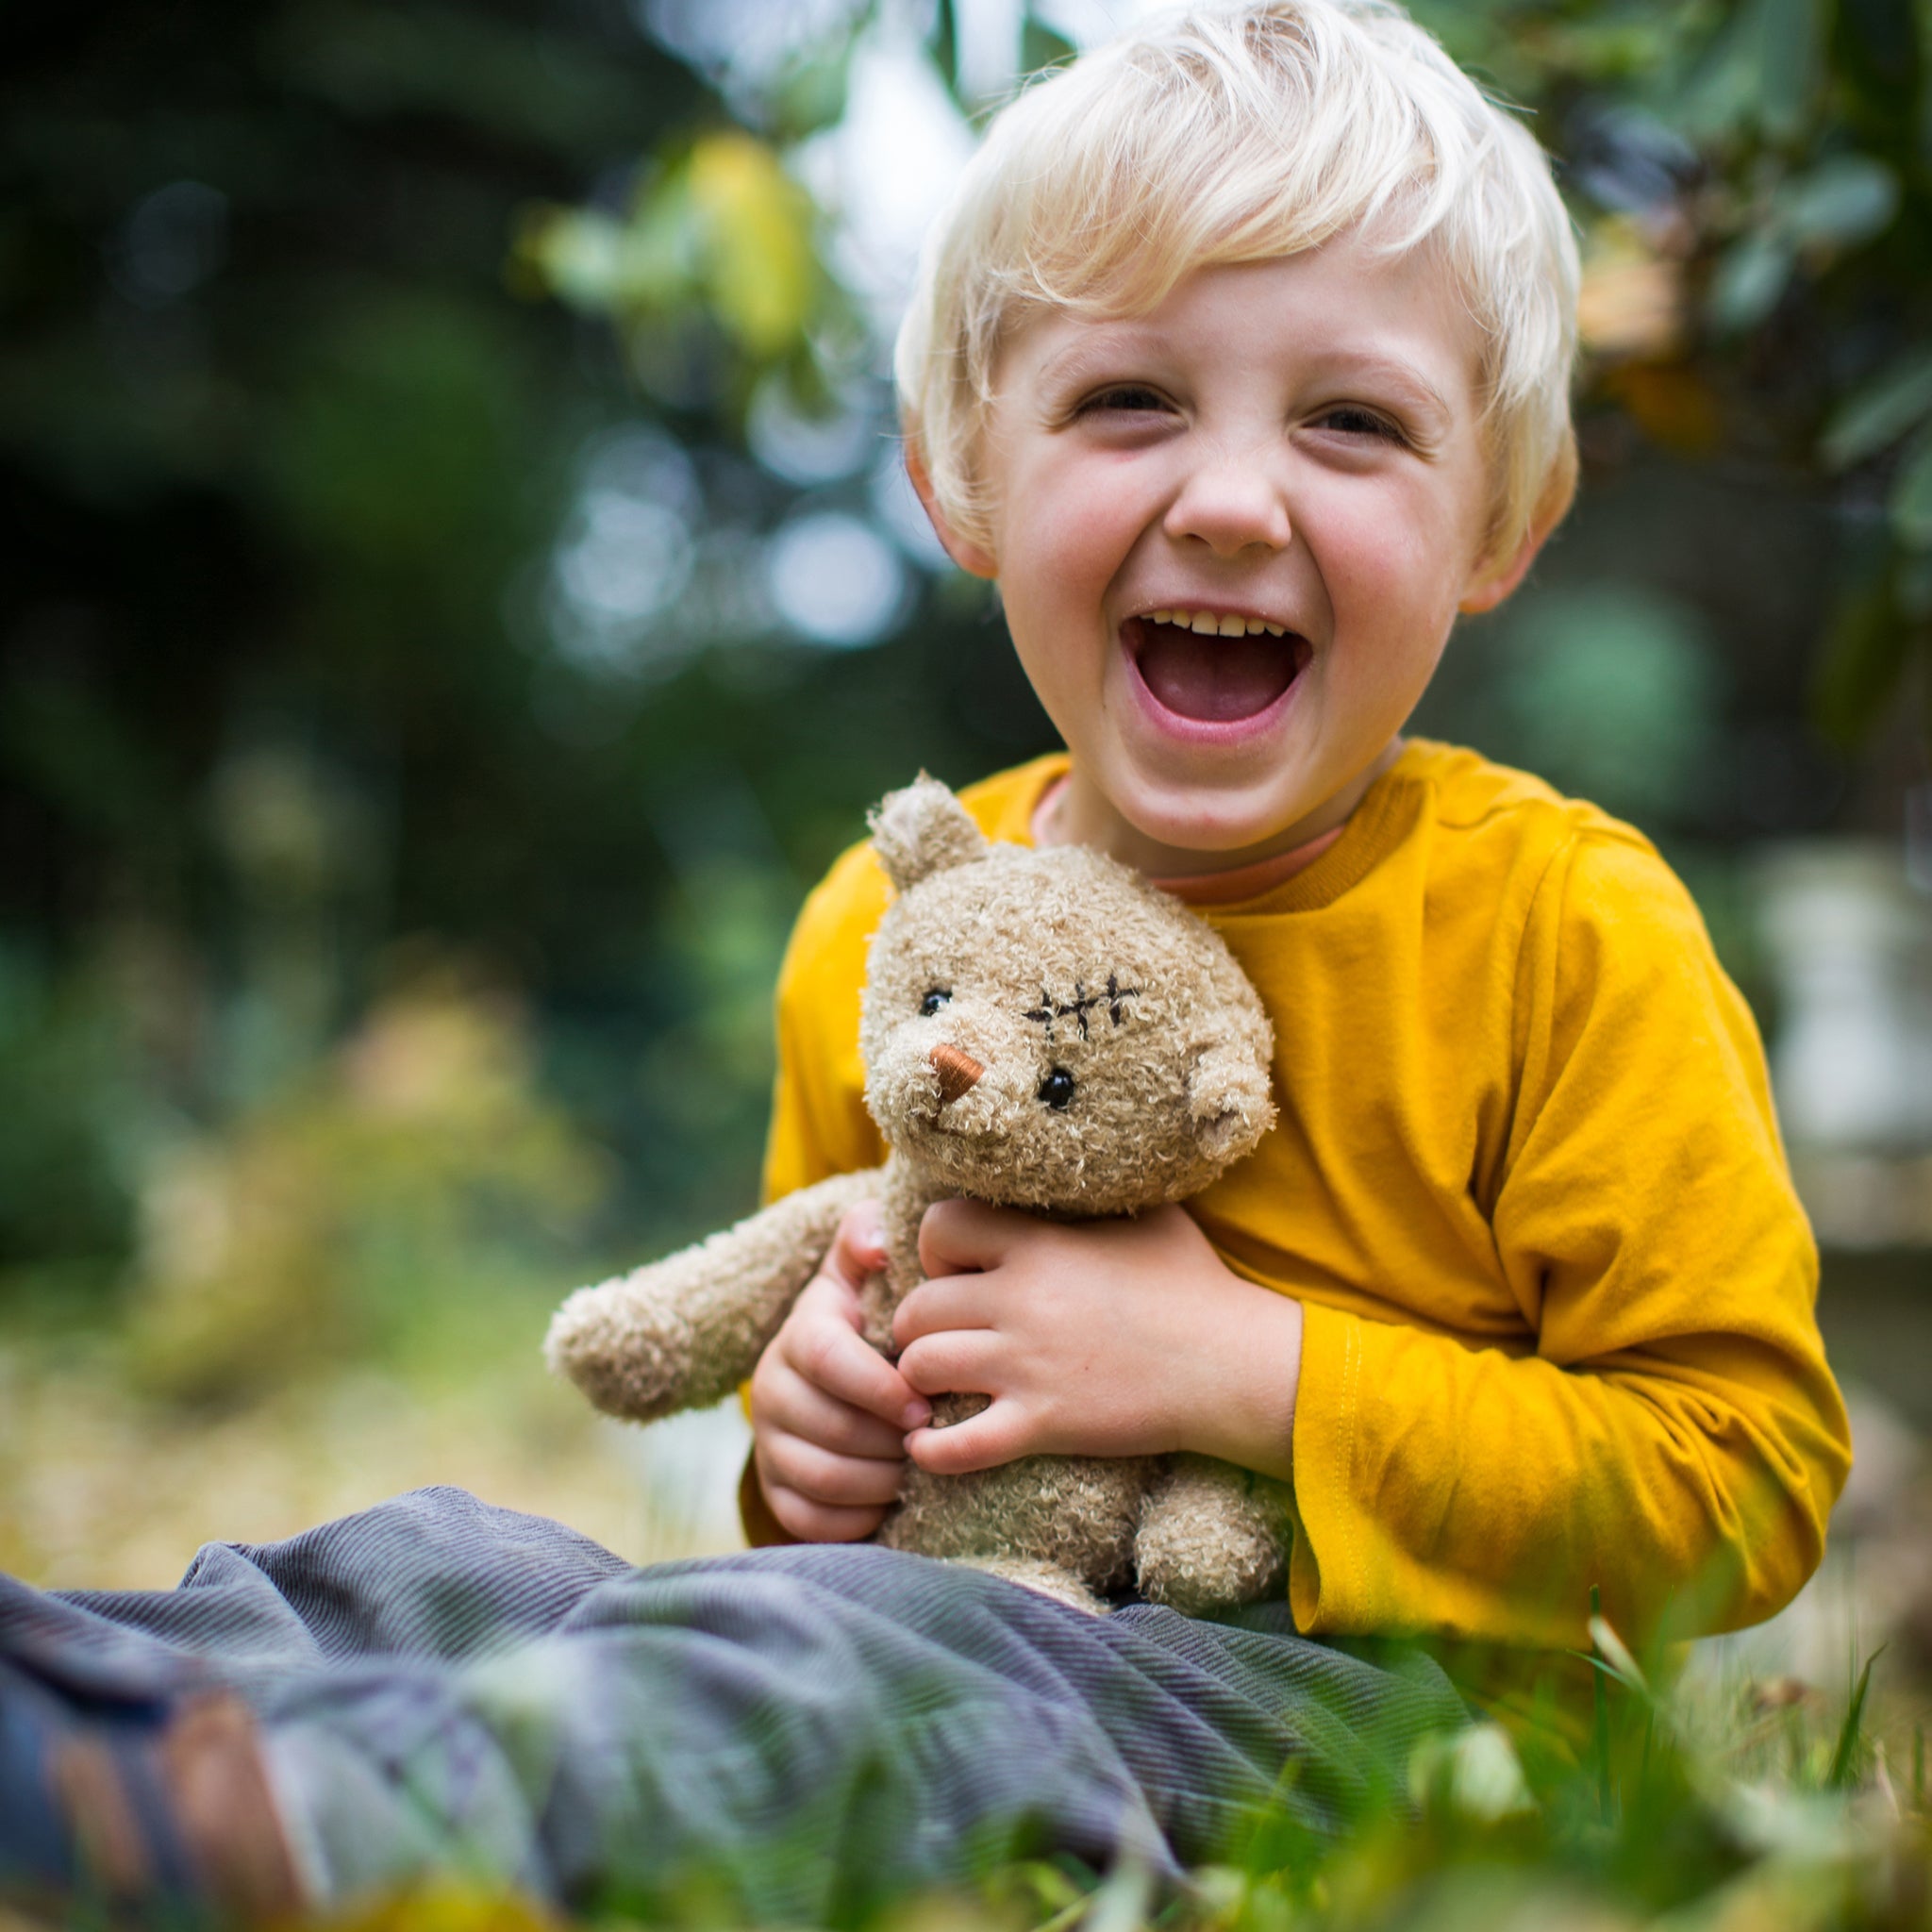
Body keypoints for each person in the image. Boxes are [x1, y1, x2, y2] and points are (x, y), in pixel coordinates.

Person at [2, 0, 1849, 1920]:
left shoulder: (1562, 927)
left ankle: (347, 1825)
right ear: (960, 473)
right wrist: (804, 1442)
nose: (1226, 498)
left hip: (1377, 1724)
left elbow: (1742, 1479)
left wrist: (1249, 1369)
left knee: (862, 1680)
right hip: (927, 1609)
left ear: (1502, 519)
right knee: (452, 1561)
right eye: (1128, 400)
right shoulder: (886, 930)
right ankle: (103, 1715)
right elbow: (828, 1498)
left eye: (1352, 421)